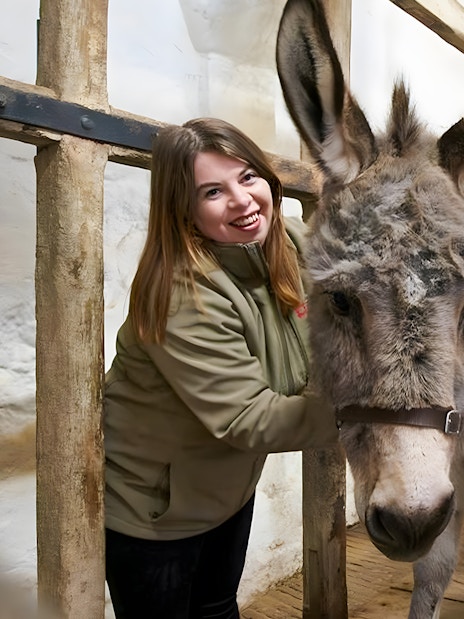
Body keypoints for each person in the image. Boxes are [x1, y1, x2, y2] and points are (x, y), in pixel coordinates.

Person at [104, 117, 339, 619]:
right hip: (156, 511)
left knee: (216, 608)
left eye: (248, 177)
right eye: (213, 191)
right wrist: (368, 415)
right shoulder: (181, 294)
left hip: (227, 486)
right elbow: (246, 418)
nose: (242, 201)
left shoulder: (292, 245)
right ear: (183, 211)